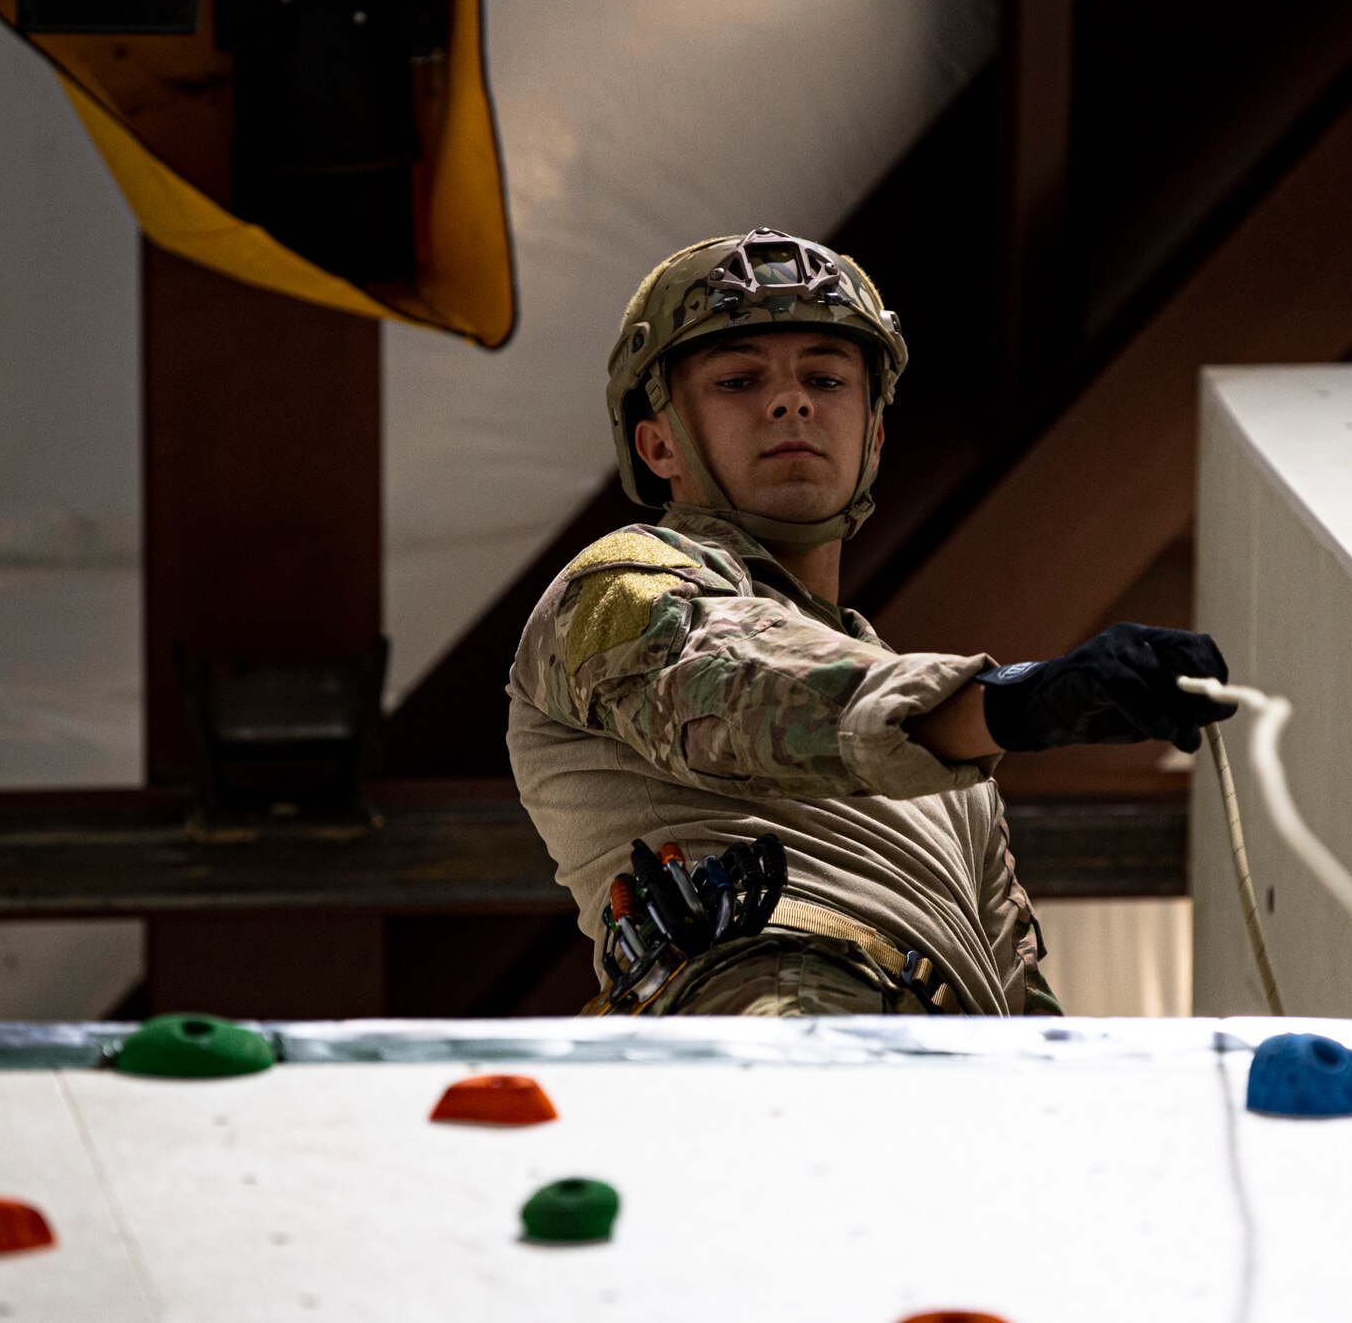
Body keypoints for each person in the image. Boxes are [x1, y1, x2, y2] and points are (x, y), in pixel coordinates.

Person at [507, 229, 1234, 1017]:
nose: (792, 400)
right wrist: (1015, 702)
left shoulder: (949, 750)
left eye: (825, 375)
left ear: (874, 435)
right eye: (738, 380)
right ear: (658, 447)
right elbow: (738, 680)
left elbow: (1017, 988)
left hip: (958, 1085)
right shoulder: (618, 586)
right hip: (770, 1018)